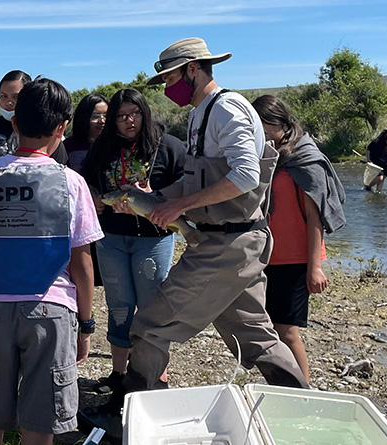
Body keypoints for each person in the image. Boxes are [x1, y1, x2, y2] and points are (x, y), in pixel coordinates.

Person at [120, 37, 308, 397]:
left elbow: (244, 176)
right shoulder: (199, 114)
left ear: (193, 69)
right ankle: (303, 403)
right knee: (255, 336)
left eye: (169, 79)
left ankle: (125, 409)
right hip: (233, 242)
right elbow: (197, 178)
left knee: (150, 324)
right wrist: (153, 198)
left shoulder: (228, 110)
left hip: (226, 244)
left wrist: (180, 207)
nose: (165, 89)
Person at [0, 77, 102, 444]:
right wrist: (86, 324)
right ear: (61, 128)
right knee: (41, 424)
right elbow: (82, 263)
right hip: (51, 309)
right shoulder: (71, 182)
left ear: (15, 123)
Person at [80, 88, 185, 394]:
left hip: (153, 238)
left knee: (152, 307)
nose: (129, 121)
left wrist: (160, 196)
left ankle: (156, 374)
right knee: (119, 306)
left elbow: (186, 183)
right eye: (121, 116)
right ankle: (118, 374)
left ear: (145, 113)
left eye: (134, 114)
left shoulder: (169, 146)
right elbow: (85, 180)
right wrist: (96, 198)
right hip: (111, 237)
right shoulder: (101, 147)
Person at [252, 95, 346, 382]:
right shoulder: (266, 155)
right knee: (267, 327)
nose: (261, 133)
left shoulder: (304, 158)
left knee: (287, 330)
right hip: (266, 254)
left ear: (280, 123)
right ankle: (285, 384)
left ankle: (302, 389)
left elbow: (314, 215)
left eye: (265, 126)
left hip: (295, 257)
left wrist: (314, 266)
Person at [0, 70, 68, 187]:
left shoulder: (46, 132)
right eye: (3, 96)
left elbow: (61, 176)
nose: (9, 102)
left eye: (16, 96)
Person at [66, 93, 107, 172]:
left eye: (106, 115)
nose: (102, 121)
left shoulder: (115, 145)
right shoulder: (68, 146)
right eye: (95, 116)